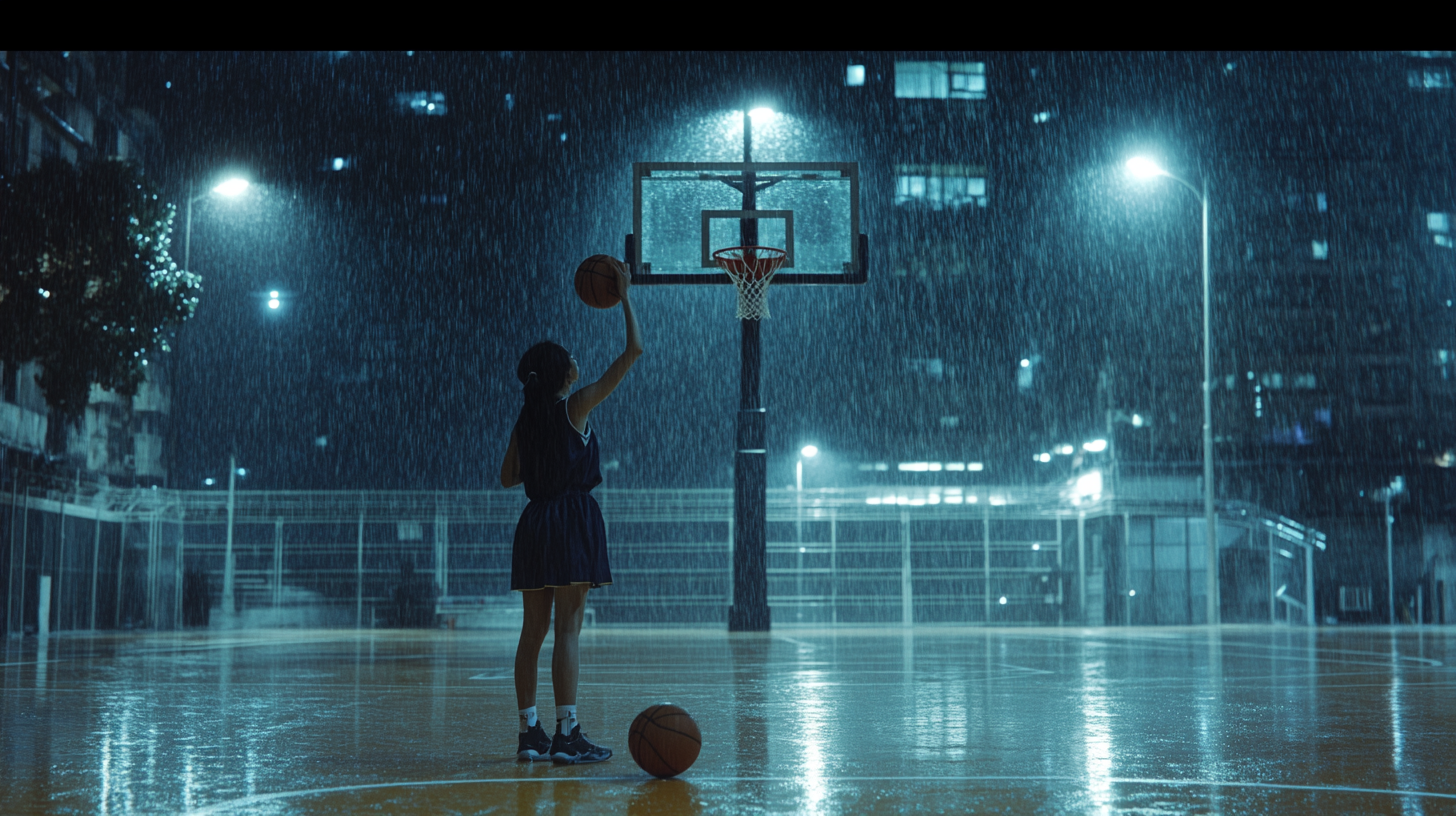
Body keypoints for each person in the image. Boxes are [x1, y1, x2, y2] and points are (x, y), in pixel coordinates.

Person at [500, 258, 642, 765]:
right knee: (568, 630)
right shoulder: (574, 406)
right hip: (571, 518)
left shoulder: (527, 418)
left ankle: (528, 733)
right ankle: (568, 733)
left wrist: (541, 458)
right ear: (565, 372)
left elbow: (507, 477)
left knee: (532, 632)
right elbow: (634, 352)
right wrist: (623, 295)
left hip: (534, 520)